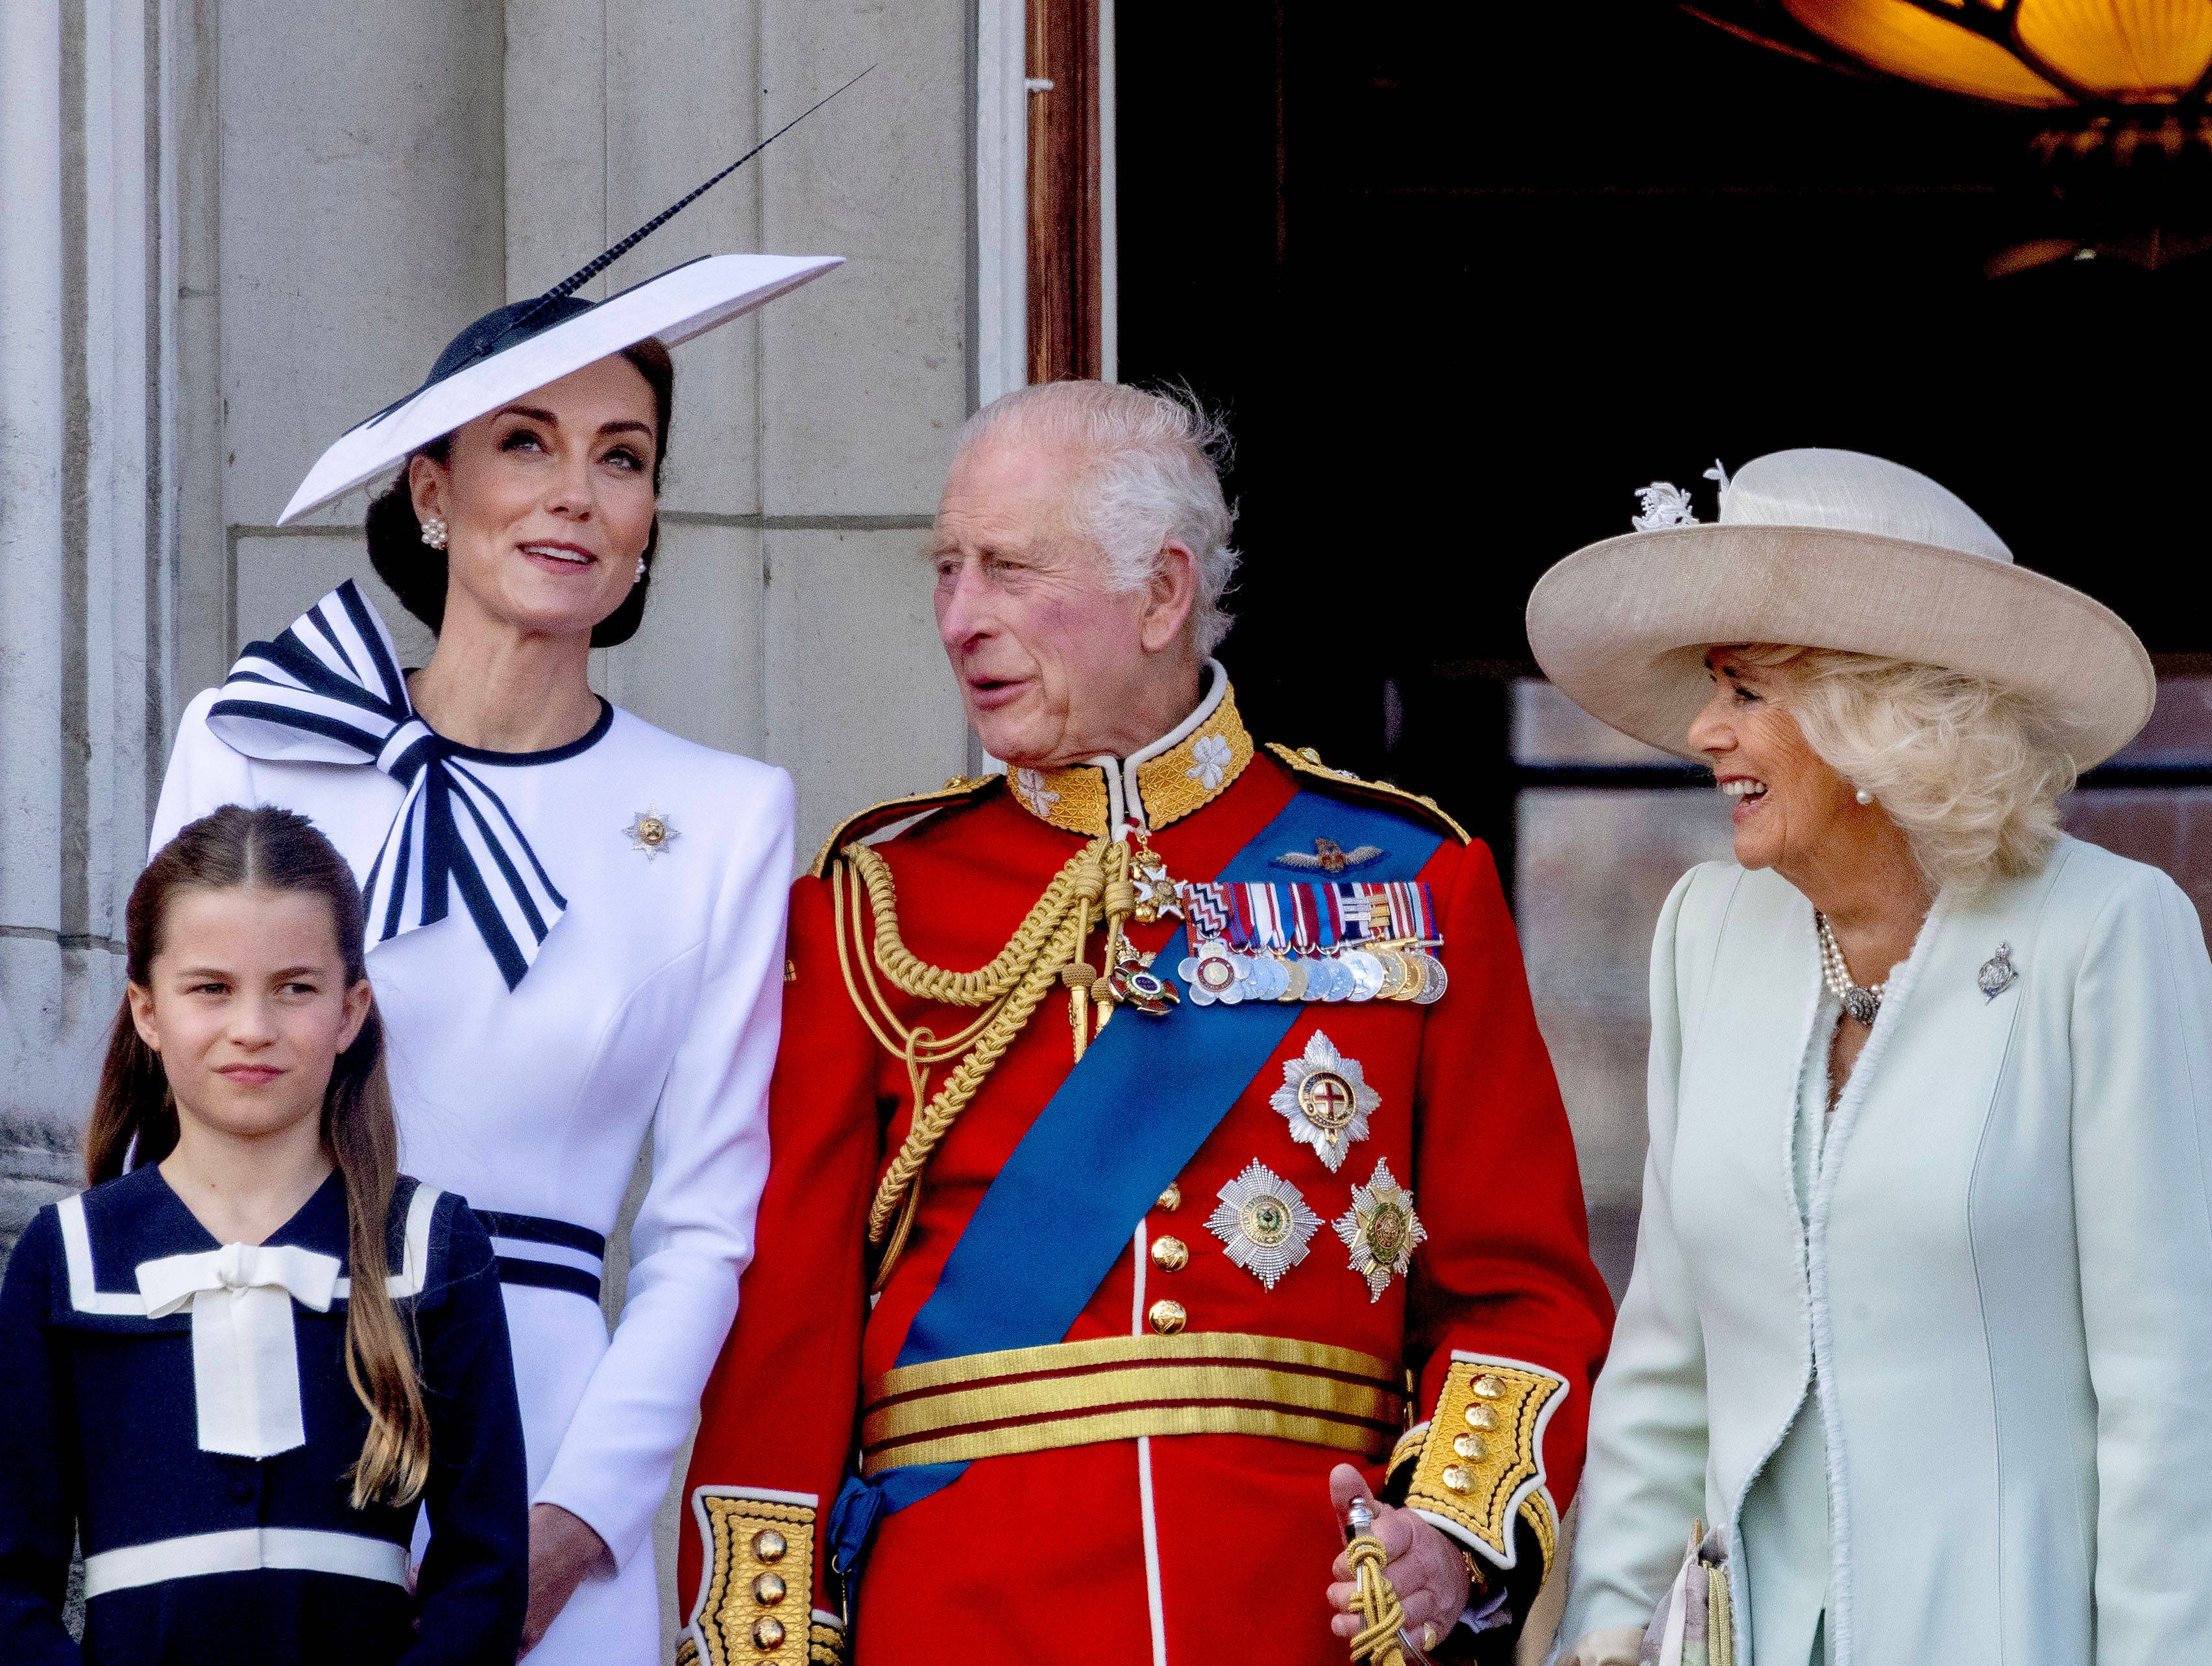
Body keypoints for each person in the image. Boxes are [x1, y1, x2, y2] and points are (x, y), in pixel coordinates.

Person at [680, 380, 1614, 1666]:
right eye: (947, 570)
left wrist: (1446, 1536)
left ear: (1163, 594)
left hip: (1293, 1616)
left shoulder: (1409, 880)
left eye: (1010, 571)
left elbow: (1520, 1291)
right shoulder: (871, 904)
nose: (962, 619)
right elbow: (782, 1346)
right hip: (958, 1618)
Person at [148, 236, 837, 1659]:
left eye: (624, 455)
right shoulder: (258, 741)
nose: (577, 493)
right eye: (527, 443)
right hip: (257, 1388)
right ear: (433, 491)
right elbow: (160, 1120)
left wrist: (574, 1525)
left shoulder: (723, 816)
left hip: (542, 1433)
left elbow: (706, 1224)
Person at [1527, 450, 2212, 1665]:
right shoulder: (1705, 933)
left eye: (1747, 690)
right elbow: (1669, 1356)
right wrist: (1603, 1631)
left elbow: (2173, 1413)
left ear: (1879, 718)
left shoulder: (2106, 935)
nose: (1706, 731)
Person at [0, 804, 526, 1664]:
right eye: (211, 988)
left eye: (296, 987)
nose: (253, 1027)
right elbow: (10, 1584)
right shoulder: (66, 1261)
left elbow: (485, 1575)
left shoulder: (433, 1248)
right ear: (146, 1010)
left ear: (351, 1009)